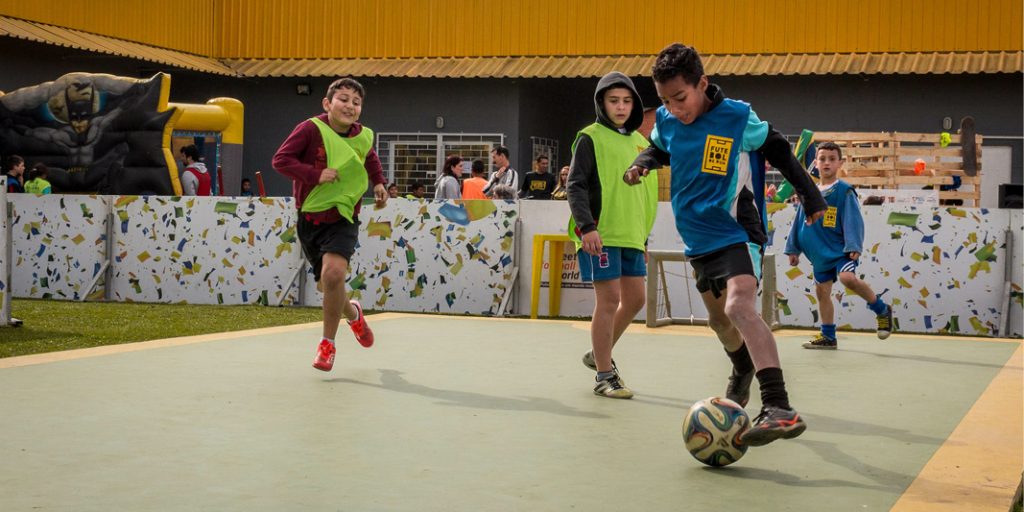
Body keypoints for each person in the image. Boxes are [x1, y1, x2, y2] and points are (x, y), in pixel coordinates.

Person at [624, 43, 826, 446]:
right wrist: (642, 163)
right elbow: (661, 147)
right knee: (719, 322)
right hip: (696, 238)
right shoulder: (666, 119)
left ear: (702, 83)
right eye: (666, 100)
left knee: (739, 306)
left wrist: (811, 195)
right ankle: (742, 370)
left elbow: (778, 148)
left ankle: (778, 406)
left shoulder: (736, 116)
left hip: (736, 228)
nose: (676, 107)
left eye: (681, 97)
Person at [272, 77, 387, 372]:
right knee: (329, 285)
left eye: (356, 102)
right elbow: (280, 160)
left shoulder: (362, 136)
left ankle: (327, 344)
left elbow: (369, 157)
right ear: (327, 103)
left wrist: (378, 184)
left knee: (334, 275)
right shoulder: (310, 129)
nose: (350, 106)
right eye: (344, 99)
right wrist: (313, 174)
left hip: (344, 215)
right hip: (310, 218)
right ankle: (353, 314)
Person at [569, 71, 659, 399]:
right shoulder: (589, 137)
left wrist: (643, 237)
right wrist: (587, 227)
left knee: (635, 299)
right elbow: (575, 185)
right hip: (601, 233)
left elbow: (646, 195)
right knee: (608, 299)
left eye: (626, 100)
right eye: (613, 100)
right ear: (601, 103)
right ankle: (604, 376)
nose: (621, 107)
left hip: (631, 235)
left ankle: (598, 353)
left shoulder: (640, 143)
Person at [784, 142, 893, 350]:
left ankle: (882, 310)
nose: (826, 163)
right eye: (822, 158)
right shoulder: (809, 192)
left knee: (847, 278)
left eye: (832, 159)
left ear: (840, 163)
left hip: (841, 251)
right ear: (815, 163)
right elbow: (798, 220)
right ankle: (828, 336)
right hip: (819, 255)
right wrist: (793, 248)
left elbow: (853, 220)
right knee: (822, 292)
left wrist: (854, 245)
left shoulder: (844, 191)